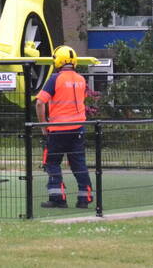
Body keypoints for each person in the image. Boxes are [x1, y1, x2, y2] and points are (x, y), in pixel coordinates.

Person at [35, 45, 93, 209]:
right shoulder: (81, 79)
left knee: (51, 162)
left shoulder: (55, 79)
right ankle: (85, 198)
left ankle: (58, 198)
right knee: (78, 164)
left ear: (57, 60)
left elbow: (40, 103)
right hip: (78, 129)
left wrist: (43, 126)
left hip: (58, 129)